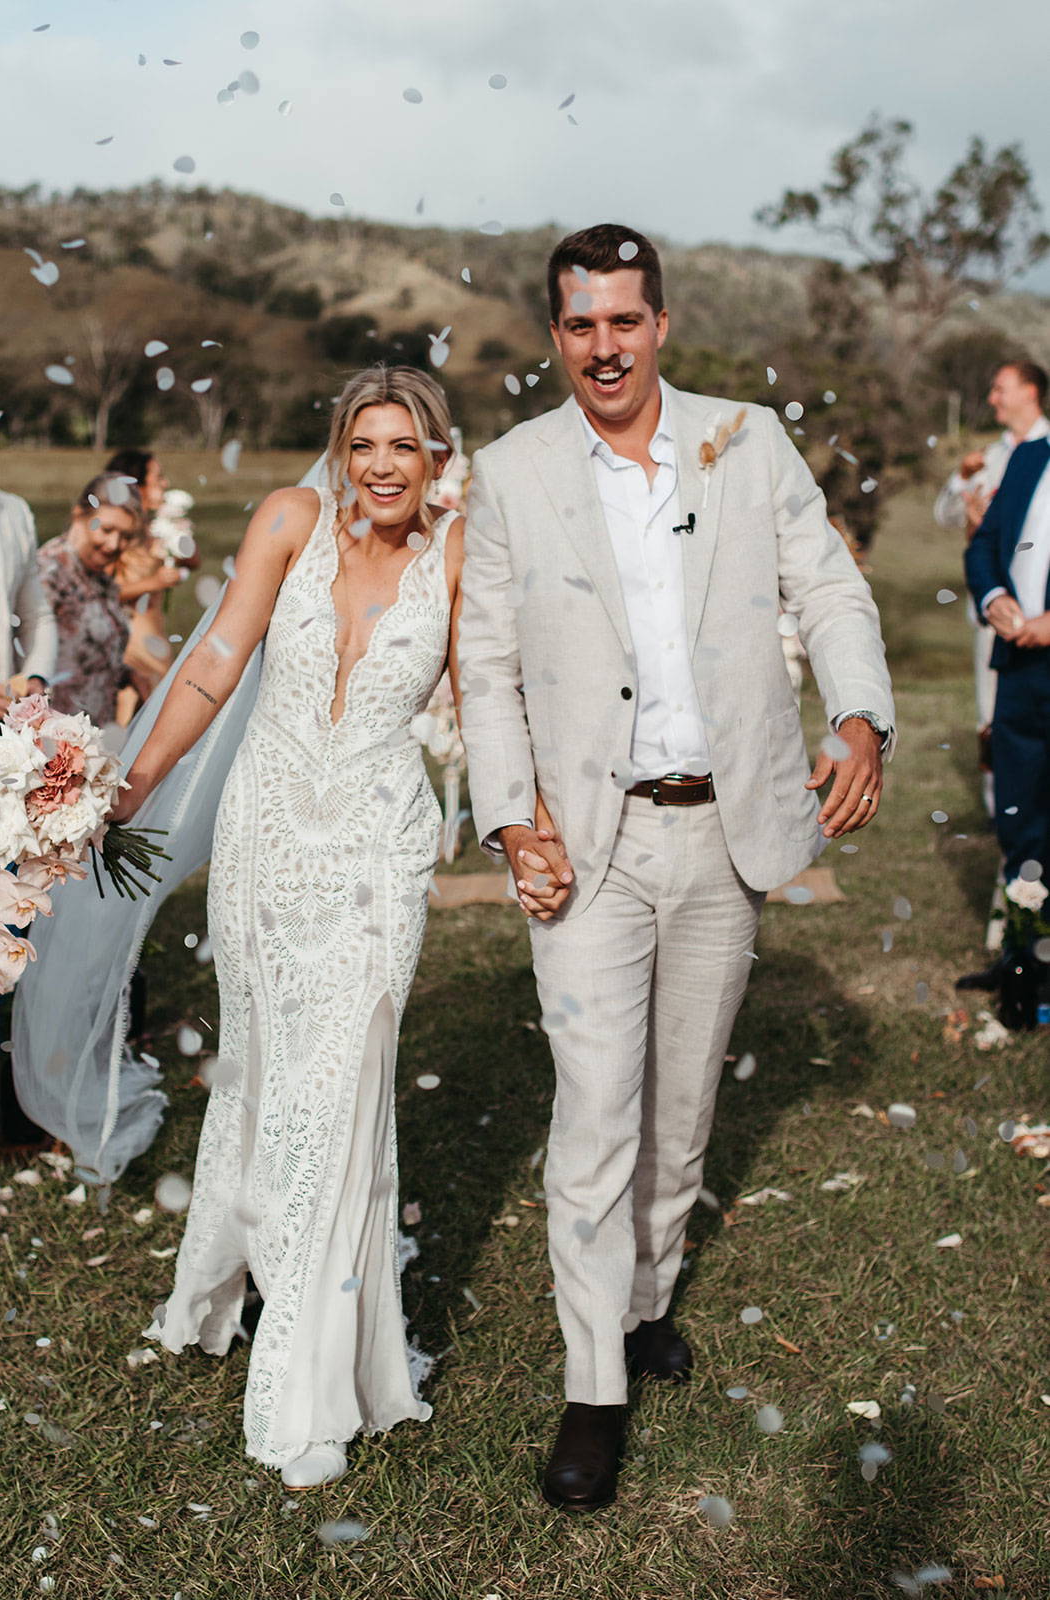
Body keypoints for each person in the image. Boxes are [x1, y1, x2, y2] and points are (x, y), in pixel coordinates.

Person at [458, 224, 895, 1513]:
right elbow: (483, 668)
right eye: (580, 324)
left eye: (625, 321)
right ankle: (593, 1387)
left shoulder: (745, 439)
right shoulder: (509, 472)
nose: (605, 345)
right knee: (595, 1111)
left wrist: (859, 714)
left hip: (727, 830)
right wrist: (509, 818)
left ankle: (645, 1298)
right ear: (556, 334)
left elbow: (829, 588)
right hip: (587, 846)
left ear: (660, 325)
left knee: (681, 1104)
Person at [106, 368, 473, 1489]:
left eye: (404, 445)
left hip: (377, 849)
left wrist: (530, 825)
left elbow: (494, 701)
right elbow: (215, 659)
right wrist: (132, 781)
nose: (380, 465)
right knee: (264, 1071)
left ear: (437, 456)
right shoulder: (287, 519)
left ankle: (307, 1378)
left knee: (340, 1083)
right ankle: (225, 1279)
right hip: (264, 838)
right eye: (363, 442)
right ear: (338, 448)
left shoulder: (462, 556)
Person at [0, 437, 57, 1147]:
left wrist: (33, 682)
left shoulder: (11, 513)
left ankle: (8, 1097)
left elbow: (36, 613)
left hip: (4, 750)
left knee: (6, 919)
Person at [935, 362, 1050, 817]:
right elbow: (949, 518)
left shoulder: (1041, 449)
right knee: (994, 720)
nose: (992, 398)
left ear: (1029, 391)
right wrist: (963, 480)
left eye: (1000, 388)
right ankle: (1001, 815)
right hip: (995, 611)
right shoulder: (993, 456)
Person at [964, 430, 1050, 1004]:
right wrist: (993, 595)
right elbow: (985, 543)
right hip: (1019, 666)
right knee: (1022, 816)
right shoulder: (1028, 457)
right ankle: (1024, 966)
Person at [36, 475, 141, 726]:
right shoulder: (47, 573)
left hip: (95, 734)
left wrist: (130, 675)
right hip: (52, 739)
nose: (114, 544)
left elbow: (88, 654)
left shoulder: (100, 579)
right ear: (78, 515)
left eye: (125, 536)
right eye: (106, 530)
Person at [104, 449, 186, 713]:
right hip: (131, 649)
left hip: (156, 642)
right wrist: (155, 582)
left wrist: (180, 539)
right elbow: (99, 593)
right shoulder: (114, 533)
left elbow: (193, 561)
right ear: (136, 486)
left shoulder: (155, 529)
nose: (165, 484)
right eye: (158, 478)